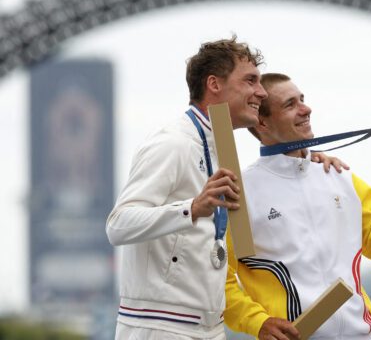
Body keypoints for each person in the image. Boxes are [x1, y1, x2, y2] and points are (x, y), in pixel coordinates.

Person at [105, 38, 343, 339]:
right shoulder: (173, 143)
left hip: (208, 326)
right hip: (161, 326)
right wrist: (191, 208)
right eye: (250, 81)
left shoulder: (220, 147)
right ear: (214, 84)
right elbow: (118, 225)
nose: (261, 91)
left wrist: (306, 161)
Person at [223, 73, 371, 340]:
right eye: (290, 104)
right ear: (261, 121)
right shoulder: (242, 194)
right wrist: (257, 322)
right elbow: (218, 279)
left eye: (302, 100)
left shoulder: (340, 178)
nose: (306, 109)